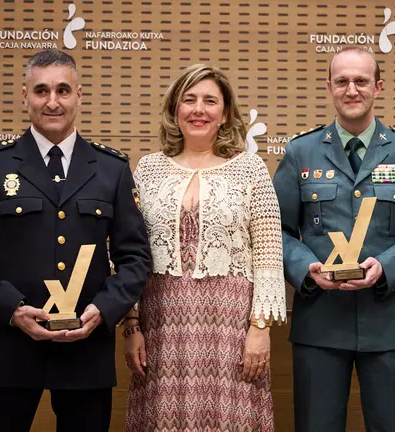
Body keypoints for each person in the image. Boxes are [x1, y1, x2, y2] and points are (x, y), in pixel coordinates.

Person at [0, 49, 152, 432]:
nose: (52, 102)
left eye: (62, 90)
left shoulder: (112, 169)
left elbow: (136, 257)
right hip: (10, 349)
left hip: (86, 353)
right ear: (25, 96)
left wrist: (103, 311)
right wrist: (12, 309)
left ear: (79, 95)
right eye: (41, 91)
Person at [272, 47, 395, 431]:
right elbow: (276, 231)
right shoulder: (301, 151)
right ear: (329, 87)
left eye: (361, 81)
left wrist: (385, 266)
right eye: (342, 81)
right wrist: (305, 267)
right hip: (320, 320)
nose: (352, 89)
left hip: (389, 321)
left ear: (378, 86)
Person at [123, 63, 286, 431]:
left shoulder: (250, 169)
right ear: (175, 110)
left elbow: (268, 253)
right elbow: (129, 252)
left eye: (210, 101)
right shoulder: (147, 170)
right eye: (189, 100)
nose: (199, 109)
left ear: (225, 113)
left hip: (232, 327)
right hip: (162, 325)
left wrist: (260, 329)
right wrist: (131, 326)